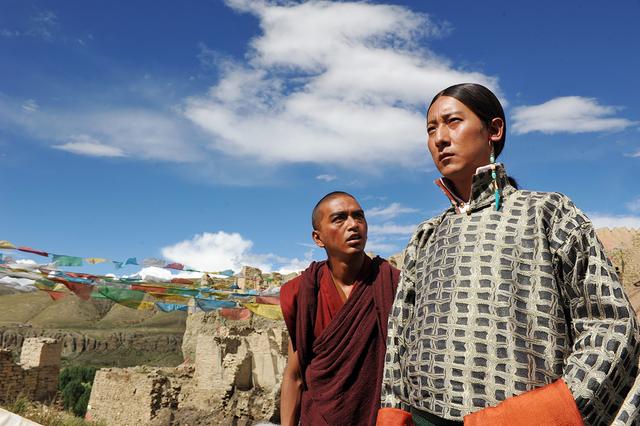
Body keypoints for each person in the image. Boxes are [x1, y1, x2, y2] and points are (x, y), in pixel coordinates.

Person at [377, 83, 640, 426]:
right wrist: (393, 413)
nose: (439, 138)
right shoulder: (426, 236)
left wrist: (546, 413)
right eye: (431, 129)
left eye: (452, 121)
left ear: (494, 130)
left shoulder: (548, 212)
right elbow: (399, 337)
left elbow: (610, 324)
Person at [280, 191, 400, 425]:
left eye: (359, 217)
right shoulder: (303, 291)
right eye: (339, 218)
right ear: (318, 238)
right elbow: (294, 375)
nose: (353, 225)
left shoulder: (391, 283)